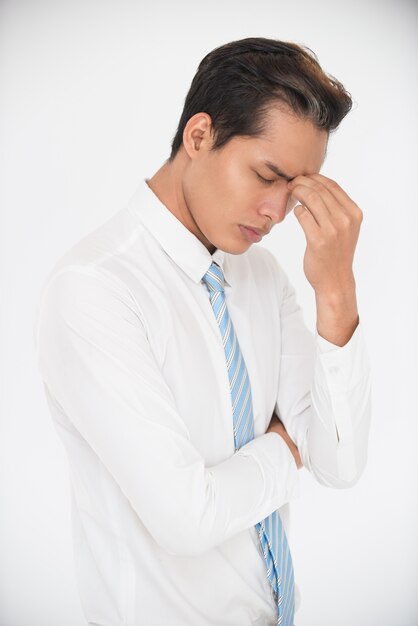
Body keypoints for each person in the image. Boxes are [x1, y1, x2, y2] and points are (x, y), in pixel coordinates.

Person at [34, 37, 372, 626]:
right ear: (198, 137)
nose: (276, 212)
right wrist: (283, 448)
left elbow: (339, 464)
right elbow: (186, 518)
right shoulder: (94, 289)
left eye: (294, 191)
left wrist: (336, 291)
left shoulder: (260, 274)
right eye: (266, 175)